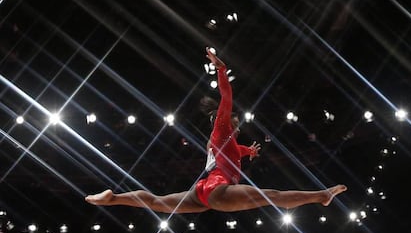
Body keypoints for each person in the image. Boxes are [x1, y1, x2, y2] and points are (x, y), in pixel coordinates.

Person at [85, 47, 347, 213]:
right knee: (271, 196)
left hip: (202, 191)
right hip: (217, 190)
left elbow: (234, 153)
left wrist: (249, 152)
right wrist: (221, 70)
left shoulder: (227, 141)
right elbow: (226, 98)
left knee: (156, 202)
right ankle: (321, 196)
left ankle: (113, 198)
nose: (235, 120)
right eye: (232, 119)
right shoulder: (221, 130)